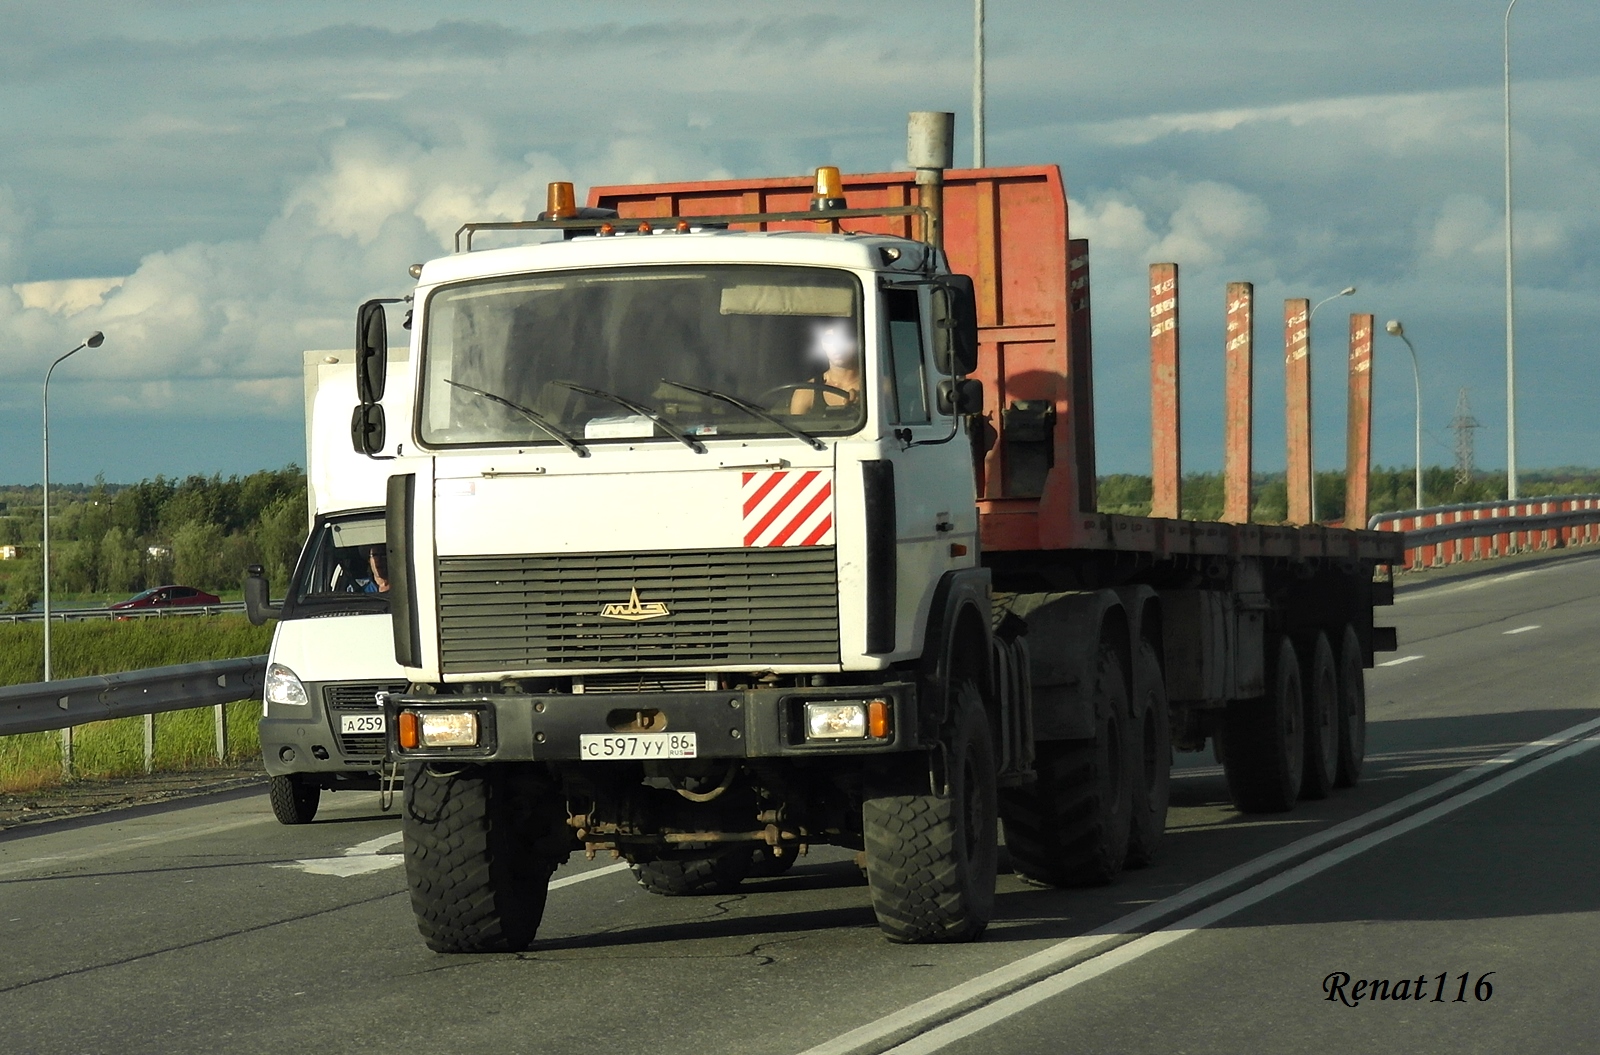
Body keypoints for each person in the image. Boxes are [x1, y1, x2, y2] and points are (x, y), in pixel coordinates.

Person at [789, 319, 862, 414]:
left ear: (856, 342)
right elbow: (794, 428)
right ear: (822, 345)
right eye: (829, 340)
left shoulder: (879, 387)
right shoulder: (806, 392)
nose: (836, 346)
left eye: (843, 338)